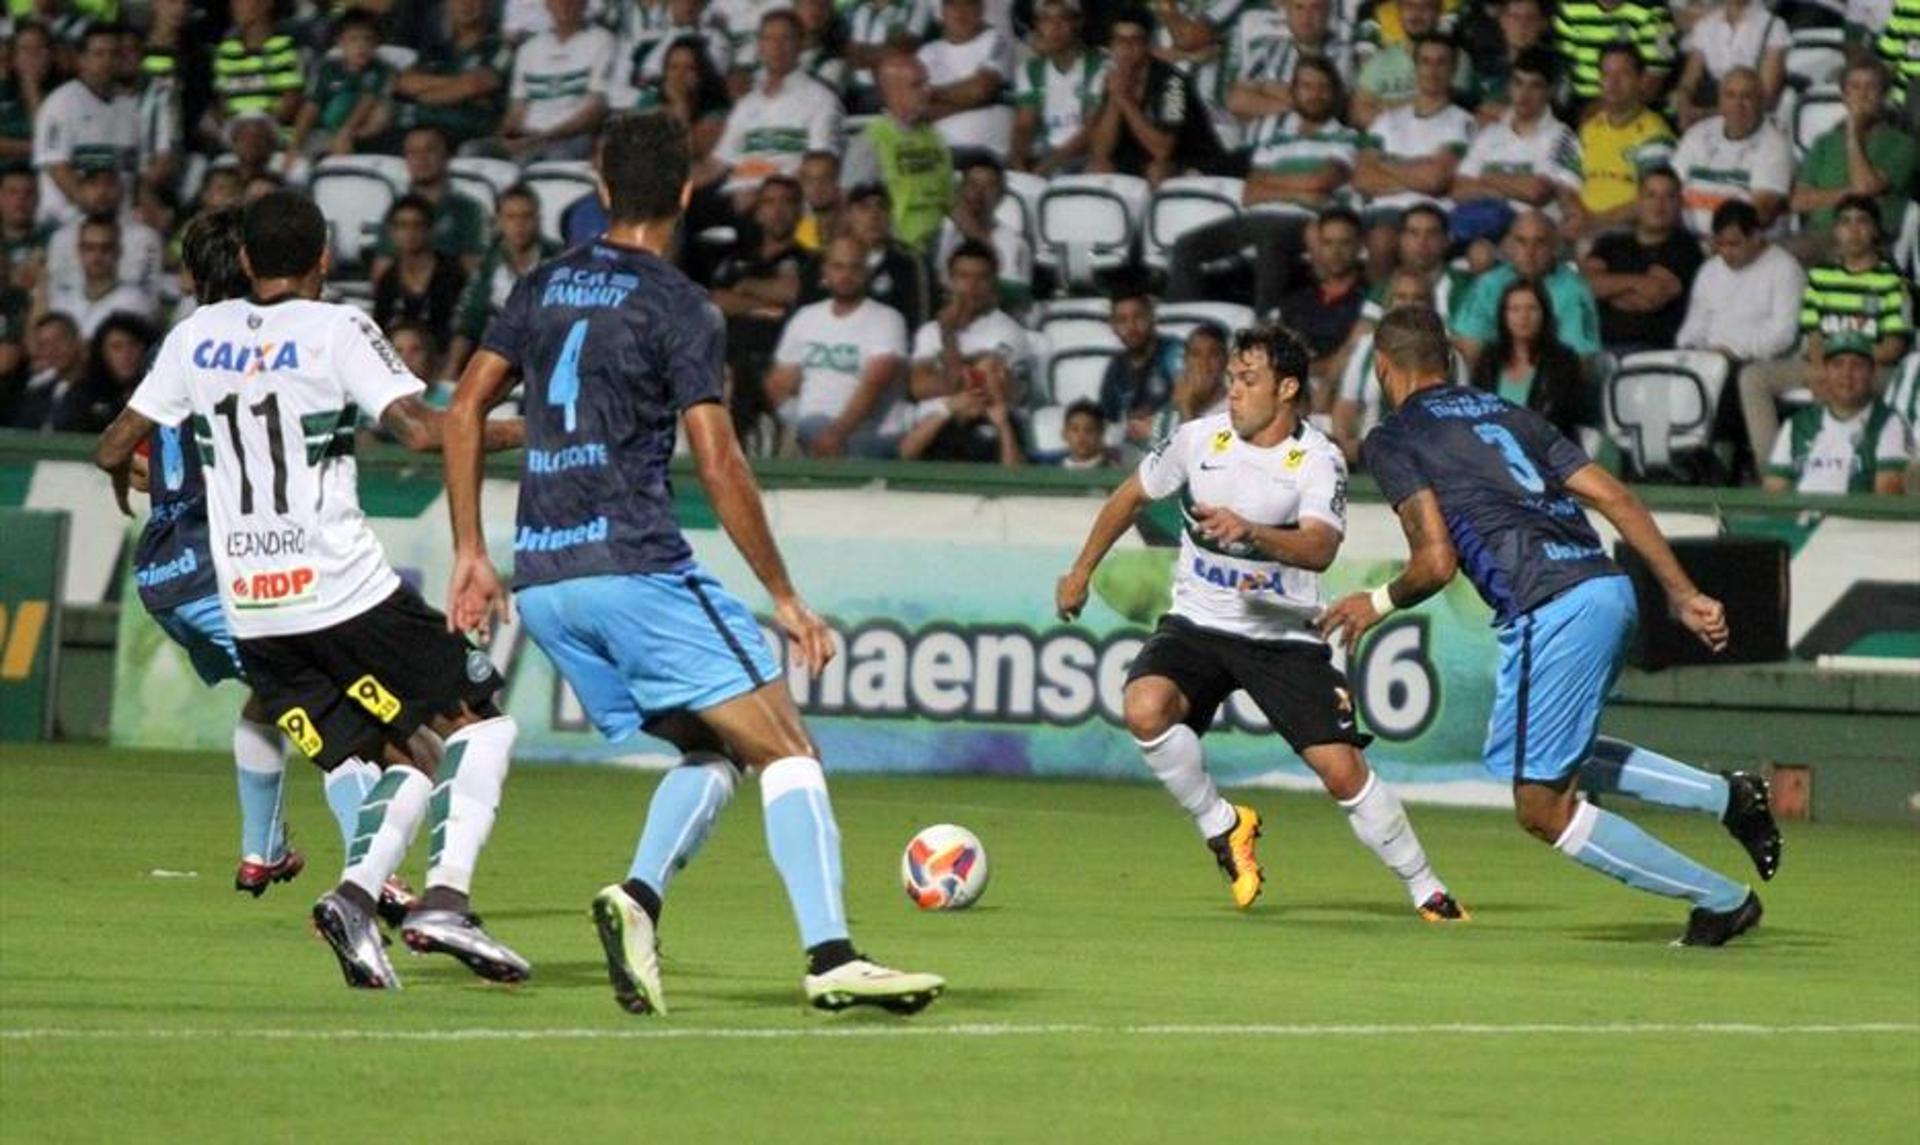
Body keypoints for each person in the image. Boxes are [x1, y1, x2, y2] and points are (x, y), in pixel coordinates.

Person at [443, 111, 944, 1015]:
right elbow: (718, 460)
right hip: (635, 565)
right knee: (790, 746)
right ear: (684, 194)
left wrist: (471, 552)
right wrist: (785, 595)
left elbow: (466, 407)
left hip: (547, 581)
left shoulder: (540, 287)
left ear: (599, 190)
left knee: (715, 748)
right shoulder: (680, 305)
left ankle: (636, 899)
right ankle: (832, 954)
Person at [94, 189, 532, 990]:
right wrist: (535, 428)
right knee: (481, 722)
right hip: (344, 593)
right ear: (324, 259)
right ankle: (443, 900)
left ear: (251, 262)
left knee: (396, 751)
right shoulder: (338, 326)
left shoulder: (195, 335)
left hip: (258, 611)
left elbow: (113, 443)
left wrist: (134, 476)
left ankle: (356, 899)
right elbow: (423, 430)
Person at [1322, 305, 1780, 947]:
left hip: (1549, 603)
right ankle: (1726, 798)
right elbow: (1615, 496)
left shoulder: (1396, 437)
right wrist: (1683, 594)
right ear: (1450, 362)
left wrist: (1376, 602)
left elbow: (1435, 562)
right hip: (1604, 588)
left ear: (1382, 368)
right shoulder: (1509, 414)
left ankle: (1721, 901)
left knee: (1542, 807)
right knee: (1533, 756)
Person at [1056, 322, 1468, 921]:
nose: (1234, 391)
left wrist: (1252, 532)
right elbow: (1128, 498)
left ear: (1287, 388)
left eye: (1248, 380)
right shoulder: (1197, 440)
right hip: (1197, 623)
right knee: (1144, 707)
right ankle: (1224, 828)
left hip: (1281, 635)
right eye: (1231, 379)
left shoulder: (1317, 459)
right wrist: (1080, 572)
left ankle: (1426, 886)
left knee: (1341, 771)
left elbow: (1320, 548)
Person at [96, 207, 419, 918]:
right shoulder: (255, 352)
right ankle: (379, 878)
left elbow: (119, 448)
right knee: (345, 722)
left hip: (161, 573)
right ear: (248, 266)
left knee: (269, 698)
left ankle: (262, 847)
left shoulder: (181, 346)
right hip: (227, 570)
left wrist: (135, 482)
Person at [1167, 56, 1358, 317]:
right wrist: (1302, 190)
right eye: (1307, 86)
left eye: (1323, 87)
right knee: (1185, 246)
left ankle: (1264, 331)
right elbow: (1250, 192)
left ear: (1334, 93)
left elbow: (1322, 181)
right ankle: (1183, 325)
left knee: (1270, 239)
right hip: (1255, 216)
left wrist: (1274, 182)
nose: (1315, 94)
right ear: (1294, 92)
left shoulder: (1346, 137)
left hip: (1304, 220)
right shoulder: (1276, 137)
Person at [1738, 195, 1914, 463]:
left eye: (1862, 222)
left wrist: (1847, 365)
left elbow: (1893, 347)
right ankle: (1773, 471)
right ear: (1835, 231)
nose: (1853, 231)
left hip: (1874, 369)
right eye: (1845, 222)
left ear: (1875, 230)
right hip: (1822, 364)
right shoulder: (1820, 277)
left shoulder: (1894, 282)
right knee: (1752, 377)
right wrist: (1826, 369)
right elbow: (1814, 335)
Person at [766, 234, 913, 457]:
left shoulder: (887, 319)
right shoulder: (806, 317)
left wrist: (836, 434)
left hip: (867, 434)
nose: (846, 275)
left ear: (867, 272)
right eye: (838, 266)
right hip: (808, 430)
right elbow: (780, 384)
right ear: (825, 271)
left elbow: (874, 385)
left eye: (854, 267)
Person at [1351, 34, 1475, 269]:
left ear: (1454, 68)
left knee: (1389, 239)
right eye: (1425, 62)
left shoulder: (1462, 122)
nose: (1432, 70)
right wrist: (1420, 168)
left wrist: (1385, 164)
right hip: (1381, 212)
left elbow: (1435, 180)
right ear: (1415, 67)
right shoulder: (1385, 121)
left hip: (1433, 214)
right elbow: (1362, 178)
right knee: (1373, 237)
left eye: (1441, 62)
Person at [706, 9, 843, 197]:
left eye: (786, 39)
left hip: (784, 200)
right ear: (760, 47)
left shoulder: (822, 100)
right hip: (734, 196)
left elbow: (818, 169)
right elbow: (718, 163)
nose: (777, 47)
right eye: (769, 39)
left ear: (801, 44)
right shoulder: (746, 104)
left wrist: (763, 191)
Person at [1788, 59, 1919, 246]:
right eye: (1855, 87)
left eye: (1870, 87)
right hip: (1819, 236)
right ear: (1844, 95)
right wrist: (1850, 192)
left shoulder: (1903, 145)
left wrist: (1852, 132)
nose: (1862, 95)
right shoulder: (1824, 142)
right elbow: (1798, 201)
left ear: (1884, 95)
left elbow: (1865, 188)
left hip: (1870, 241)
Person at [1451, 47, 1583, 230]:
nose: (1524, 94)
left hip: (1535, 236)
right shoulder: (1490, 134)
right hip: (1486, 230)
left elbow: (1537, 192)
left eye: (1535, 85)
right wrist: (1506, 189)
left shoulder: (1563, 137)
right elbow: (1459, 189)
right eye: (1518, 83)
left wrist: (1486, 176)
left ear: (1551, 91)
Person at [1763, 333, 1910, 495]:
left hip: (1854, 519)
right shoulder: (1797, 424)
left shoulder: (1888, 423)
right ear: (1825, 371)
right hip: (1799, 517)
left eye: (1858, 365)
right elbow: (1774, 490)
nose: (1846, 374)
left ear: (1872, 372)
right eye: (1837, 365)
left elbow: (1887, 494)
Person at [1087, 7, 1221, 184]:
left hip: (1190, 160)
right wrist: (1115, 99)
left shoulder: (1173, 83)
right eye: (1119, 40)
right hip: (1139, 160)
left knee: (1157, 169)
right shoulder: (1114, 78)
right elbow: (1100, 150)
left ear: (1148, 44)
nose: (1126, 48)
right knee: (1098, 167)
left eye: (1134, 40)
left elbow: (1162, 149)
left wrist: (1124, 100)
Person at [1450, 210, 1602, 365]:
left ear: (1555, 246)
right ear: (1508, 245)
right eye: (1521, 241)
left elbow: (1581, 361)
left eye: (1540, 242)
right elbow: (1468, 345)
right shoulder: (1489, 284)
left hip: (1553, 382)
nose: (1530, 252)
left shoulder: (1574, 291)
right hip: (1493, 379)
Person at [1581, 166, 1704, 355]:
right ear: (1638, 201)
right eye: (1651, 195)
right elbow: (1585, 286)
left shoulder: (1687, 249)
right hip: (1596, 350)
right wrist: (1638, 282)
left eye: (1668, 197)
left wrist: (1608, 288)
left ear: (1679, 204)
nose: (1659, 205)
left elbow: (1654, 296)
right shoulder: (1609, 242)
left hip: (1650, 353)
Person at [839, 51, 951, 254]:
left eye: (927, 83)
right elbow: (848, 205)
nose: (927, 91)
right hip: (895, 254)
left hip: (938, 250)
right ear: (893, 92)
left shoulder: (935, 136)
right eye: (917, 85)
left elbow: (951, 199)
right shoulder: (870, 141)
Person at [1674, 201, 1805, 370]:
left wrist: (1733, 351)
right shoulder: (1710, 269)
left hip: (1755, 364)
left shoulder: (1785, 269)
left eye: (1734, 244)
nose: (1726, 252)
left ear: (1756, 236)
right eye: (1720, 244)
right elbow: (1695, 324)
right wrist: (1691, 347)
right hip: (1706, 360)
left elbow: (1783, 335)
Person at [908, 238, 1036, 408]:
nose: (971, 287)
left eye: (981, 278)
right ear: (951, 282)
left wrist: (948, 335)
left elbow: (986, 387)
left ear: (993, 282)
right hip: (932, 426)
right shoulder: (929, 331)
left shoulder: (1010, 333)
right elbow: (919, 388)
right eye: (964, 277)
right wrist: (968, 368)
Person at [32, 22, 136, 227]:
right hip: (68, 222)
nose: (106, 61)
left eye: (113, 54)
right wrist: (92, 212)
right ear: (81, 59)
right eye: (98, 54)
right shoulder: (60, 104)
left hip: (120, 225)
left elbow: (131, 170)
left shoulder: (129, 107)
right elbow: (57, 166)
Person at [450, 184, 560, 376]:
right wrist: (450, 371)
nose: (519, 225)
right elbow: (469, 322)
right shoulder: (488, 265)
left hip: (547, 359)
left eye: (526, 216)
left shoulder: (560, 260)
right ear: (499, 221)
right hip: (495, 362)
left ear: (538, 219)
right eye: (511, 217)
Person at [1669, 67, 1792, 237]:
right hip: (1685, 238)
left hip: (1739, 246)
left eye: (1747, 96)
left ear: (1761, 101)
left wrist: (1718, 243)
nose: (1738, 105)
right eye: (1730, 95)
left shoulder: (1774, 145)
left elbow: (1761, 213)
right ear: (1720, 101)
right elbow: (1668, 188)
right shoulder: (1698, 133)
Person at [1571, 43, 1676, 240]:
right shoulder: (1589, 128)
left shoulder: (1655, 134)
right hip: (1583, 227)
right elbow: (1566, 184)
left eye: (1623, 74)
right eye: (1607, 74)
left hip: (1625, 234)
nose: (1613, 82)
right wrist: (1576, 215)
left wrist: (1595, 222)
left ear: (1641, 80)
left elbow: (1652, 202)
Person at [388, 0, 517, 153]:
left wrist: (425, 94)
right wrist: (461, 84)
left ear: (487, 4)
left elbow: (478, 84)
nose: (465, 5)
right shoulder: (437, 49)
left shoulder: (500, 48)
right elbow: (406, 83)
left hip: (473, 136)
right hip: (427, 130)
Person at [1468, 277, 1589, 436]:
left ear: (1544, 314)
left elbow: (1562, 418)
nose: (1523, 317)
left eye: (1531, 308)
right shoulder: (1488, 360)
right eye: (1515, 309)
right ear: (1503, 316)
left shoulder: (1563, 361)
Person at [501, 0, 616, 162]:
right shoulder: (528, 49)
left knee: (551, 156)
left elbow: (595, 110)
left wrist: (544, 137)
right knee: (478, 153)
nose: (564, 5)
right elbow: (517, 109)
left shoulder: (602, 41)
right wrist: (507, 138)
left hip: (571, 138)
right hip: (529, 137)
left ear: (584, 4)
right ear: (547, 5)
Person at [373, 127, 491, 278]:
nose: (421, 158)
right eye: (413, 153)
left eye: (429, 150)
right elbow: (382, 271)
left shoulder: (468, 209)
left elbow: (473, 271)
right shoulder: (396, 209)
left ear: (446, 156)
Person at [1276, 206, 1369, 392]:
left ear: (1359, 245)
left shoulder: (1369, 301)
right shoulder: (1297, 299)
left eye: (1345, 243)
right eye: (1328, 243)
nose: (1336, 252)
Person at [284, 10, 394, 162]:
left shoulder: (378, 69)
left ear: (376, 44)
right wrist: (295, 144)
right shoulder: (329, 68)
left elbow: (366, 102)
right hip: (327, 130)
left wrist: (346, 133)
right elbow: (312, 106)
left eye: (368, 40)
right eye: (353, 40)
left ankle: (343, 150)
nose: (361, 46)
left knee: (382, 111)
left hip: (357, 130)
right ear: (340, 43)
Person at [1224, 0, 1355, 124]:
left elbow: (1336, 105)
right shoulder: (1267, 51)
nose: (1306, 16)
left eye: (1316, 8)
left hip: (1322, 144)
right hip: (1267, 144)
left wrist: (1265, 88)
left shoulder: (1345, 54)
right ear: (1287, 12)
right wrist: (1294, 107)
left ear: (1328, 12)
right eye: (1299, 7)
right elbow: (1235, 101)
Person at [1012, 0, 1105, 175]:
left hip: (1084, 156)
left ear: (1077, 22)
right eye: (1046, 20)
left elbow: (1091, 130)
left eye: (1063, 19)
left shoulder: (1100, 65)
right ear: (1038, 26)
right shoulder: (1030, 69)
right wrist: (1017, 161)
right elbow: (1024, 126)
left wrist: (1049, 165)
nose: (1055, 28)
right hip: (1045, 154)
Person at [932, 153, 1032, 311]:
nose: (979, 193)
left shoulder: (1015, 243)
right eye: (972, 184)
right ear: (960, 189)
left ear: (1001, 195)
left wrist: (973, 231)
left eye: (989, 186)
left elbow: (1014, 295)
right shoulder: (943, 234)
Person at [917, 0, 1014, 160]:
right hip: (940, 155)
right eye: (952, 4)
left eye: (968, 4)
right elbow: (916, 108)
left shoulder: (997, 39)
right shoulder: (926, 52)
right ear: (942, 11)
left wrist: (931, 93)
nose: (960, 12)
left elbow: (981, 89)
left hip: (992, 155)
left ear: (981, 9)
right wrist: (971, 100)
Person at [35, 215, 157, 338]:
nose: (97, 256)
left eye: (105, 249)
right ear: (79, 251)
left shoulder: (134, 302)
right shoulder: (62, 302)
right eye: (90, 248)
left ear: (118, 252)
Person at [372, 195, 470, 337]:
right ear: (392, 233)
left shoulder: (452, 273)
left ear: (431, 230)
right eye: (402, 225)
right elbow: (380, 330)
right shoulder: (388, 280)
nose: (410, 233)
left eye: (417, 225)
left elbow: (463, 327)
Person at [1551, 0, 1676, 108]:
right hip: (1579, 103)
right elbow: (1563, 67)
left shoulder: (1657, 13)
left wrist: (1604, 111)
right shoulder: (1568, 7)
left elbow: (1655, 79)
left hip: (1634, 107)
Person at [1098, 285, 1182, 446]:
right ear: (1113, 326)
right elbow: (1109, 422)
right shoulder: (1115, 369)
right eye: (1122, 320)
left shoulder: (1173, 352)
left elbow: (1190, 403)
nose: (1131, 327)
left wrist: (1158, 422)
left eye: (1138, 317)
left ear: (1152, 317)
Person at [844, 182, 933, 330]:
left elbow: (922, 320)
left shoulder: (911, 262)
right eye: (864, 208)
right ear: (848, 216)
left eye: (882, 207)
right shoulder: (828, 259)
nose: (874, 215)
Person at [211, 0, 305, 128]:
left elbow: (290, 102)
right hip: (236, 137)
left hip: (273, 136)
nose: (235, 5)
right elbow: (222, 102)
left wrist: (260, 127)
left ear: (266, 3)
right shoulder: (227, 50)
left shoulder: (283, 47)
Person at [8, 311, 88, 431]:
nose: (52, 350)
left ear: (77, 341)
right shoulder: (37, 395)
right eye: (44, 344)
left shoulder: (98, 390)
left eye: (59, 340)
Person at [1059, 398, 1120, 468]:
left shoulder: (1111, 469)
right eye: (1075, 430)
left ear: (1101, 433)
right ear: (1064, 434)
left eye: (1089, 430)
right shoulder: (1056, 470)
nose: (1082, 436)